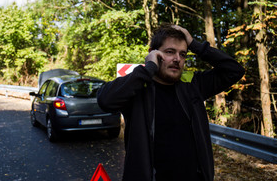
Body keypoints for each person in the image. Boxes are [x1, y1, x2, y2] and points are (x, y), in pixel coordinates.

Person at [97, 24, 245, 181]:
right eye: (169, 52)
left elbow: (234, 70)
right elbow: (105, 100)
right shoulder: (138, 89)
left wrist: (195, 44)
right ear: (153, 54)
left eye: (183, 54)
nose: (177, 59)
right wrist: (149, 69)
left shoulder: (193, 86)